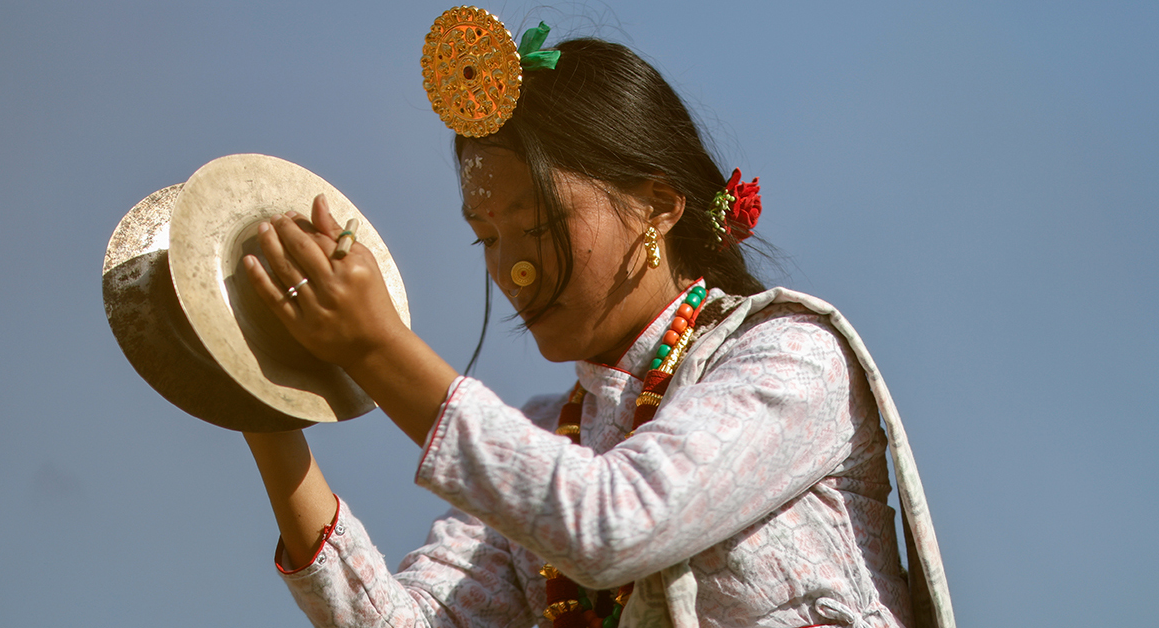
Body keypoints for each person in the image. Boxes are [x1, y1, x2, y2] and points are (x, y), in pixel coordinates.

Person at [238, 32, 931, 628]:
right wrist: (255, 392)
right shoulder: (548, 437)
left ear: (658, 206)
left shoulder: (791, 357)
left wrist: (376, 347)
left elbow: (611, 521)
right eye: (487, 238)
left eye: (540, 225)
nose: (514, 270)